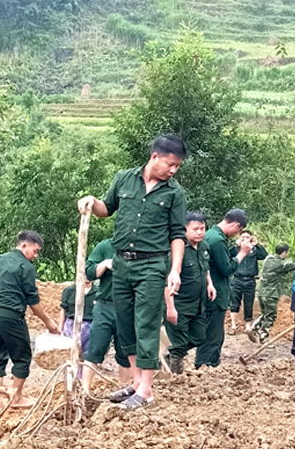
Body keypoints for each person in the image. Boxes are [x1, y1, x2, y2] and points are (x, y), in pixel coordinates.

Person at [78, 134, 188, 409]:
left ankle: (146, 391)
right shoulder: (124, 179)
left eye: (177, 166)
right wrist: (91, 200)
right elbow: (107, 209)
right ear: (154, 157)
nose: (173, 170)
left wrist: (174, 270)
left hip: (152, 265)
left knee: (147, 323)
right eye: (170, 164)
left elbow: (177, 235)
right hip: (122, 264)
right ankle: (136, 383)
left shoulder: (174, 193)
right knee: (125, 323)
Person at [0, 232, 59, 411]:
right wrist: (49, 322)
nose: (35, 256)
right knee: (22, 357)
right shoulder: (25, 267)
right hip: (10, 314)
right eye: (35, 251)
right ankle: (16, 398)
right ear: (24, 246)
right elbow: (33, 301)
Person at [198, 209, 249, 368]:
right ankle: (206, 366)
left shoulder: (210, 235)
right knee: (212, 336)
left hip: (208, 292)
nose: (236, 235)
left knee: (214, 334)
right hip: (215, 294)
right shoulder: (217, 240)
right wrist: (242, 253)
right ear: (236, 226)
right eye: (238, 231)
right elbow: (226, 268)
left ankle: (208, 365)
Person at [81, 238, 134, 392]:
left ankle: (126, 389)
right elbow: (88, 272)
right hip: (105, 306)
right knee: (94, 350)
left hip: (128, 308)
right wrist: (104, 264)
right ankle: (84, 391)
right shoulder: (105, 246)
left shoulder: (141, 247)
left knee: (126, 353)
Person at [163, 213, 213, 373]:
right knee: (178, 344)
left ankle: (169, 357)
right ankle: (176, 377)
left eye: (203, 228)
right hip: (179, 305)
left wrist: (210, 284)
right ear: (184, 230)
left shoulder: (204, 246)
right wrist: (170, 308)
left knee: (199, 336)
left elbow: (205, 268)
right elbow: (166, 283)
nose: (200, 232)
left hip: (198, 304)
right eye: (195, 229)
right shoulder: (177, 253)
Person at [252, 244, 295, 342]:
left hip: (261, 292)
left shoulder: (268, 259)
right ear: (285, 253)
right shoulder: (281, 264)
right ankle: (263, 337)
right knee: (271, 316)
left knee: (265, 313)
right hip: (271, 294)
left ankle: (254, 327)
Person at [229, 226, 268, 335]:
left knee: (248, 303)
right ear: (239, 238)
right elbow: (227, 254)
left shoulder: (254, 249)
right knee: (234, 302)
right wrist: (235, 244)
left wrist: (257, 244)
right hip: (237, 279)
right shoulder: (235, 249)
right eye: (243, 237)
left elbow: (264, 255)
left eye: (247, 237)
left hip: (250, 280)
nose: (245, 239)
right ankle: (233, 325)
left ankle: (248, 326)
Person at [60, 279, 96, 353]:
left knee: (88, 356)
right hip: (71, 326)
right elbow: (63, 311)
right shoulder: (69, 291)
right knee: (68, 353)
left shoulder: (99, 293)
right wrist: (60, 329)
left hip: (90, 327)